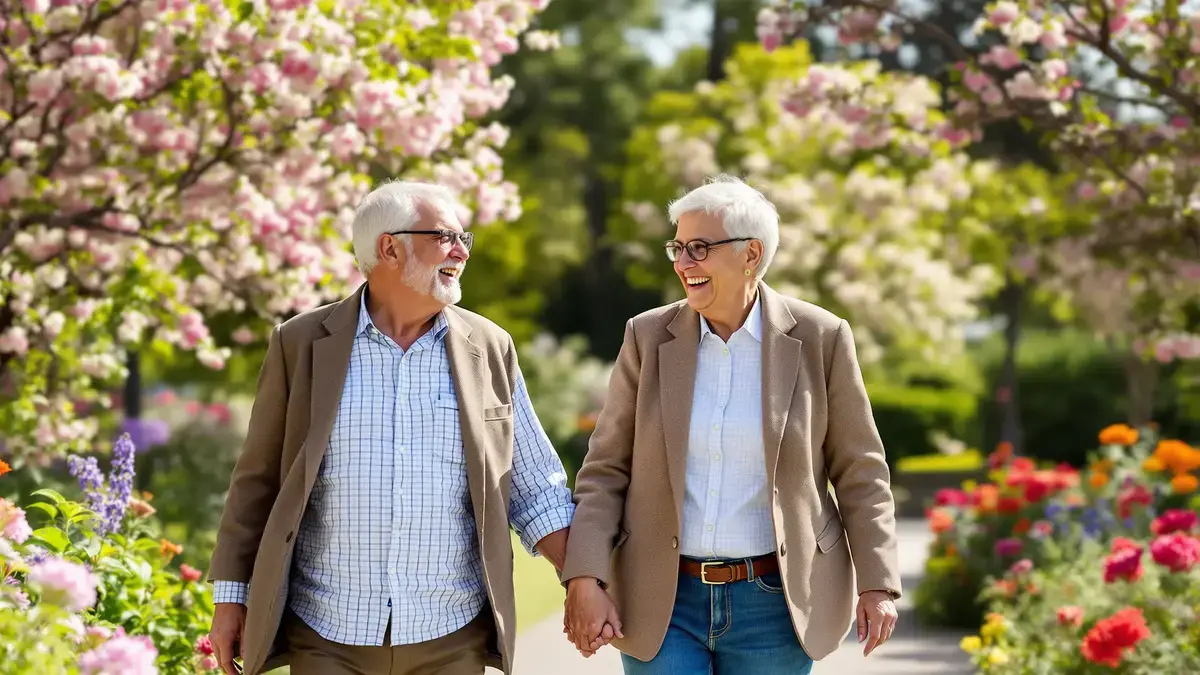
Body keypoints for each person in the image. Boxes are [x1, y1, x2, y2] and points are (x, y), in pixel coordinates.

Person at [205, 180, 576, 675]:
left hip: (451, 636)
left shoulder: (490, 346)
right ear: (389, 248)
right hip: (326, 635)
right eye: (445, 236)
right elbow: (256, 483)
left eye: (465, 238)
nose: (462, 251)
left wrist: (584, 579)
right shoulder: (300, 343)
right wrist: (230, 599)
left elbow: (534, 486)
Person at [560, 174, 901, 674]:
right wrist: (585, 575)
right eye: (676, 247)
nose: (682, 263)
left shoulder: (822, 338)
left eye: (698, 248)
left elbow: (861, 472)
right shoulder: (647, 336)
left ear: (751, 254)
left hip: (777, 604)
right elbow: (606, 470)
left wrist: (877, 582)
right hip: (662, 600)